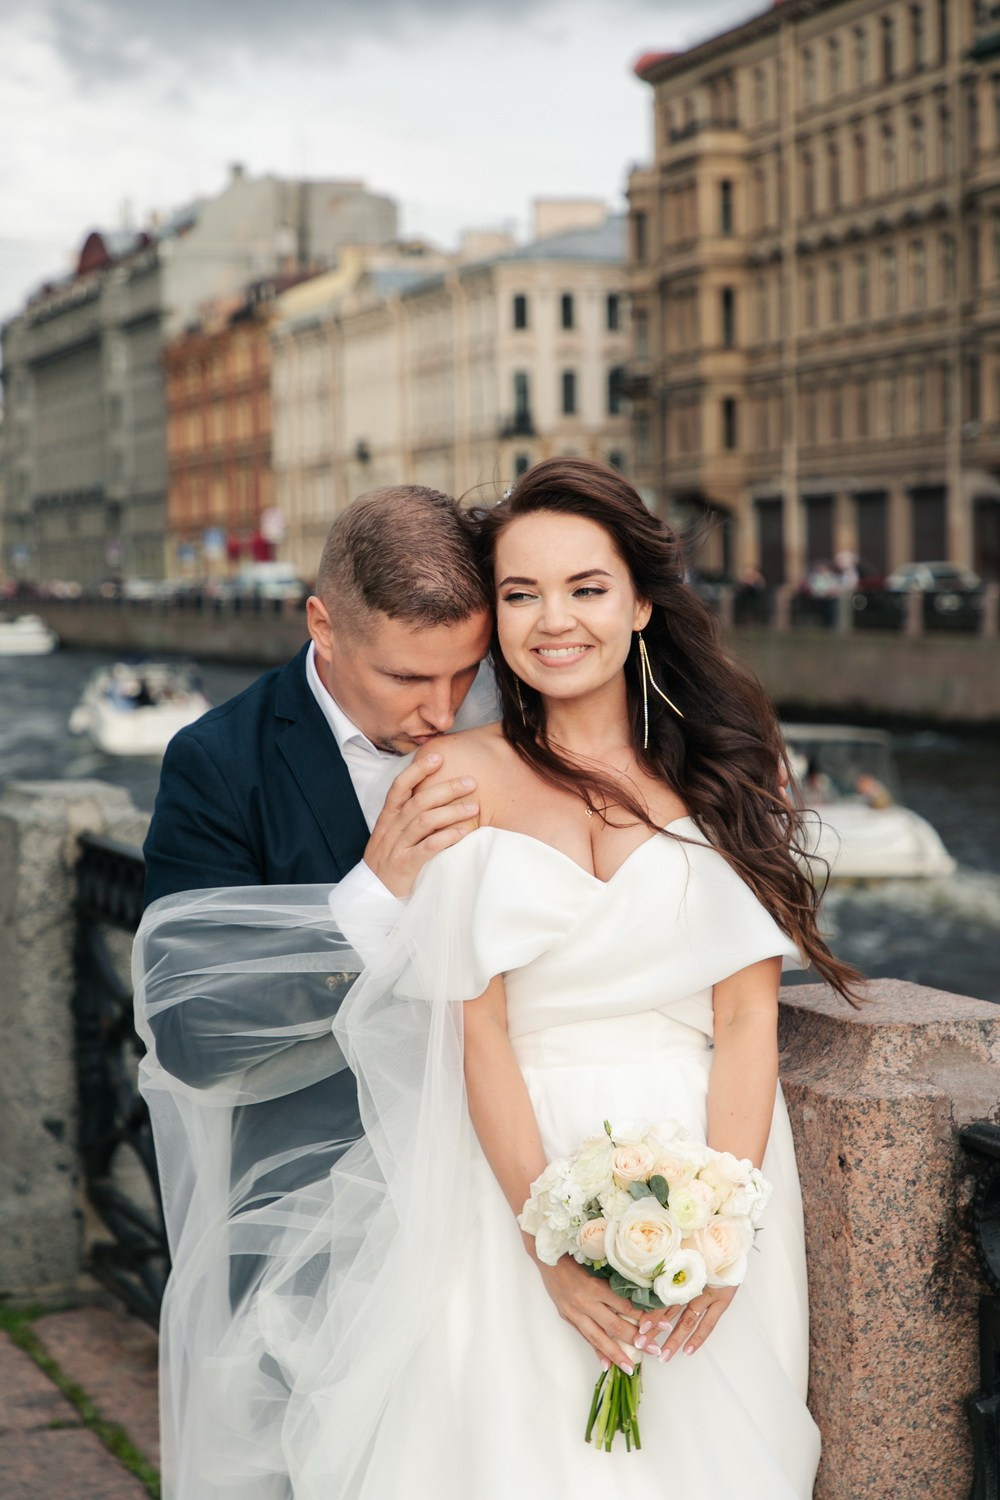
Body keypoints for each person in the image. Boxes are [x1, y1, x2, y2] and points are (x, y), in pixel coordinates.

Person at [136, 460, 861, 1498]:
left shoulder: (704, 761)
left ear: (639, 601)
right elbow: (204, 1031)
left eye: (582, 589)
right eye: (522, 594)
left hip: (696, 1173)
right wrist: (375, 894)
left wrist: (720, 1219)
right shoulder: (241, 763)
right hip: (429, 1177)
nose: (439, 709)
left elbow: (745, 1018)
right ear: (322, 628)